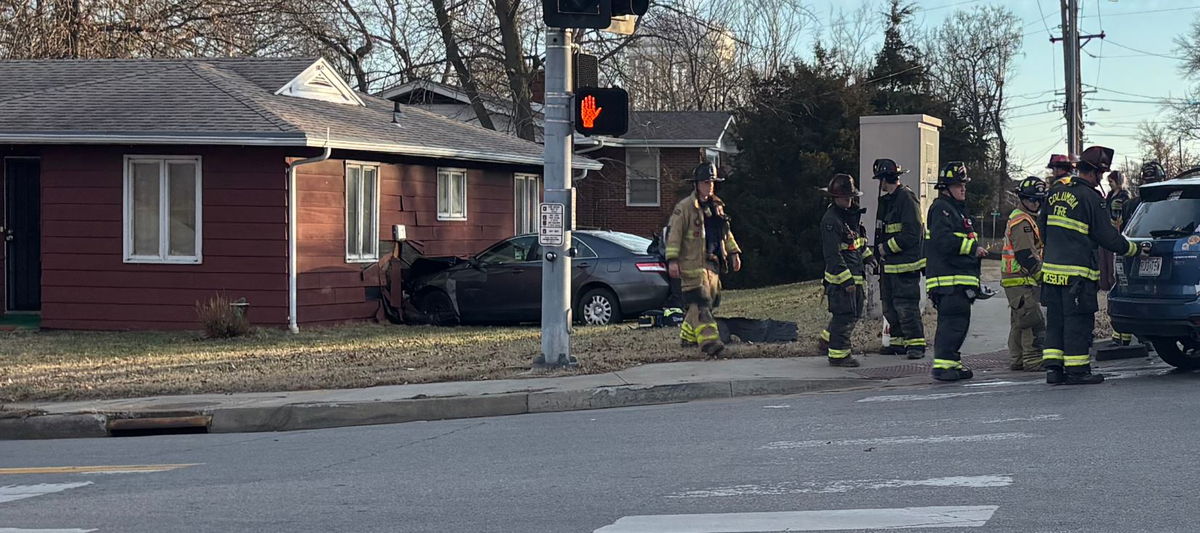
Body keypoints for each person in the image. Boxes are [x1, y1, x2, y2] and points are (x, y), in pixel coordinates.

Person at [1040, 146, 1144, 385]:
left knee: (1056, 321)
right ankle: (1077, 371)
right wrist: (1134, 249)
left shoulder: (1055, 192)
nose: (1101, 180)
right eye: (1101, 175)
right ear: (1095, 173)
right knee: (1078, 322)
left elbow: (1043, 227)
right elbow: (1107, 236)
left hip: (1051, 273)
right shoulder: (1091, 197)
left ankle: (1054, 370)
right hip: (1077, 275)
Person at [666, 162, 743, 358]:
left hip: (713, 263)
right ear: (697, 184)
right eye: (705, 182)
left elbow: (726, 233)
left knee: (708, 303)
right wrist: (673, 260)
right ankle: (710, 344)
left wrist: (734, 254)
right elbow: (674, 235)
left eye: (712, 182)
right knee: (700, 304)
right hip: (692, 266)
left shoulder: (717, 206)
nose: (709, 186)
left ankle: (687, 336)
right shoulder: (684, 208)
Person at [926, 162, 990, 381]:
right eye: (957, 185)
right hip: (949, 282)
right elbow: (943, 241)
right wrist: (973, 248)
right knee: (952, 324)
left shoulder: (955, 210)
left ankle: (951, 363)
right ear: (945, 188)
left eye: (963, 184)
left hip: (957, 282)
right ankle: (944, 367)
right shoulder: (941, 209)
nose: (963, 189)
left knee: (958, 324)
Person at [872, 158, 926, 360]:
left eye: (881, 180)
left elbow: (912, 234)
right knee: (889, 305)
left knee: (906, 306)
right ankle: (897, 343)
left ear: (886, 179)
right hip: (889, 266)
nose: (880, 184)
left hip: (905, 265)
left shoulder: (906, 198)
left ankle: (916, 345)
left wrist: (886, 248)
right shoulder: (887, 201)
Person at [819, 174, 869, 367]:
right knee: (844, 317)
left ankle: (827, 342)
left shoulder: (850, 216)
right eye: (846, 197)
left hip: (855, 276)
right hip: (841, 282)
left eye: (851, 196)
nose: (850, 200)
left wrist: (869, 257)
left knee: (853, 314)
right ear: (835, 197)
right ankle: (839, 355)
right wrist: (846, 281)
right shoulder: (831, 221)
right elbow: (832, 255)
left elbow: (856, 244)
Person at [1002, 177, 1048, 372]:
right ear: (1022, 198)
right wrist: (1041, 276)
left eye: (1038, 200)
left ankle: (1017, 358)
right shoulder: (1023, 222)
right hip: (1021, 278)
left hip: (1015, 280)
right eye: (1032, 200)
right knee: (1032, 320)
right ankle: (1032, 359)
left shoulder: (1022, 217)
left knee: (1019, 320)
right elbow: (1026, 254)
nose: (1036, 204)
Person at [1102, 171, 1133, 344]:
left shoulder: (1124, 196)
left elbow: (1121, 217)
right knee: (1112, 280)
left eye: (1112, 181)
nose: (1110, 184)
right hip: (1110, 238)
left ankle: (1124, 334)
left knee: (1120, 279)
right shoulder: (1109, 195)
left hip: (1119, 238)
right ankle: (1118, 334)